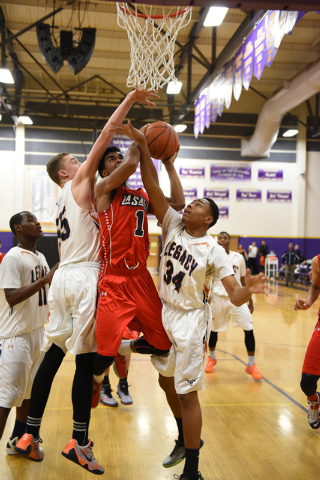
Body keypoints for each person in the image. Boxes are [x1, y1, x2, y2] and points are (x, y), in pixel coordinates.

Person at [111, 121, 268, 480]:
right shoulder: (173, 224)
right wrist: (153, 153)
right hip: (163, 311)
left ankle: (193, 470)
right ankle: (183, 435)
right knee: (167, 382)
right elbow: (152, 185)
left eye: (196, 205)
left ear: (208, 219)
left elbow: (233, 293)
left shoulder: (214, 250)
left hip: (190, 321)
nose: (188, 205)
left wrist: (251, 287)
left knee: (187, 395)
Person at [15, 88, 158, 474]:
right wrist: (130, 98)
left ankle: (28, 434)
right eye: (76, 160)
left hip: (62, 278)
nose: (84, 160)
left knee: (54, 354)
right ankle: (79, 442)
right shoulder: (80, 185)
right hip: (85, 277)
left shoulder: (63, 198)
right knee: (83, 363)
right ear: (65, 172)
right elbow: (109, 132)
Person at [91, 135, 185, 407]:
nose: (119, 161)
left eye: (120, 157)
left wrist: (167, 165)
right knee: (104, 355)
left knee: (163, 343)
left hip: (141, 278)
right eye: (112, 159)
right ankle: (98, 381)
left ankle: (126, 348)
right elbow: (133, 164)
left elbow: (178, 202)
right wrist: (141, 140)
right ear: (104, 172)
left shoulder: (142, 196)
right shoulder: (104, 190)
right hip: (114, 279)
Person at [0, 212, 58, 454]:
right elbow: (11, 297)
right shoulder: (12, 258)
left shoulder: (41, 256)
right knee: (6, 399)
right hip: (15, 337)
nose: (37, 223)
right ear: (18, 228)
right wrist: (45, 279)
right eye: (31, 220)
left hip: (36, 333)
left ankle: (17, 441)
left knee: (28, 393)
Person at [205, 231, 262, 380]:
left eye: (225, 238)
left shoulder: (239, 258)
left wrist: (249, 299)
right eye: (220, 238)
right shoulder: (213, 256)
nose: (223, 240)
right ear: (217, 241)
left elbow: (244, 280)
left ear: (230, 241)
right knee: (213, 330)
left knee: (248, 328)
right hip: (218, 297)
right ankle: (211, 358)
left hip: (237, 298)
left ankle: (251, 365)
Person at [294, 254, 320, 429]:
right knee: (307, 382)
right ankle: (314, 402)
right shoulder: (318, 261)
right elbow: (316, 286)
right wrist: (309, 302)